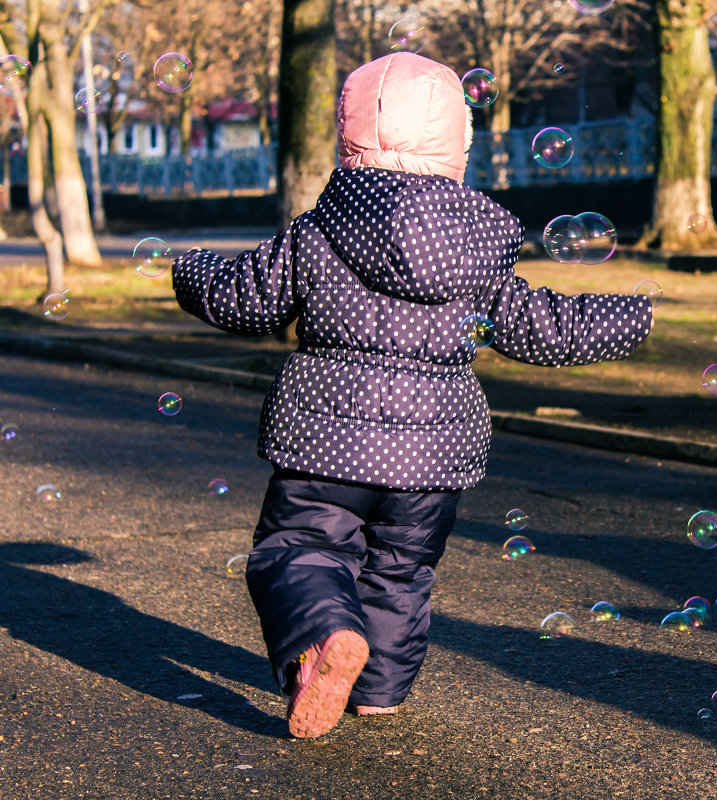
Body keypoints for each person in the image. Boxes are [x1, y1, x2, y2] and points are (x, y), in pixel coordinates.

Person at [171, 52, 653, 738]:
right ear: (458, 143)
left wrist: (192, 271)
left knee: (300, 549)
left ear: (349, 135)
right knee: (401, 572)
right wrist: (629, 317)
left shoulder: (319, 231)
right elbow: (542, 327)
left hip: (323, 442)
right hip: (433, 455)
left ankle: (328, 636)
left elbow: (247, 297)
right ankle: (379, 692)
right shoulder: (479, 252)